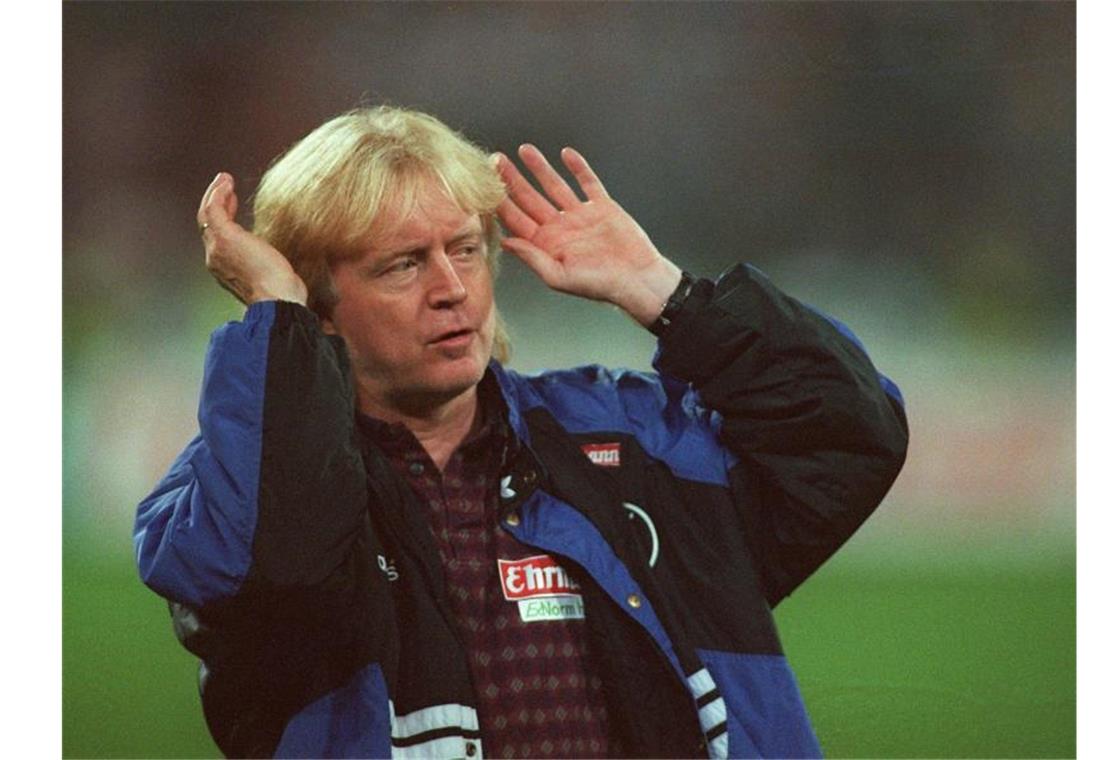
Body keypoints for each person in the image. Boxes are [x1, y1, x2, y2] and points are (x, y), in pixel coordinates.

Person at [134, 105, 908, 760]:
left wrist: (668, 296)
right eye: (404, 264)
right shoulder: (245, 491)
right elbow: (266, 568)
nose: (451, 289)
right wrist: (278, 322)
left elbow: (850, 433)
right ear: (320, 302)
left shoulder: (626, 438)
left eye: (466, 249)